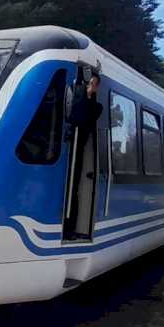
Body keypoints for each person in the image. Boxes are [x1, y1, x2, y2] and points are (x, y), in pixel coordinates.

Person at [64, 71, 103, 240]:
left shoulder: (97, 107)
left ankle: (70, 228)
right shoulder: (72, 93)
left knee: (74, 187)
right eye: (88, 84)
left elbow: (81, 118)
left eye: (93, 84)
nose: (90, 87)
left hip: (78, 147)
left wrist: (86, 95)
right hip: (68, 144)